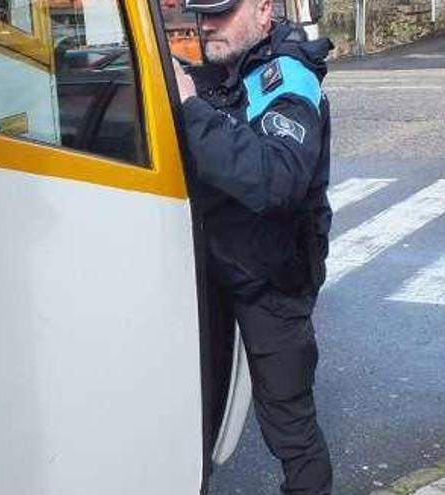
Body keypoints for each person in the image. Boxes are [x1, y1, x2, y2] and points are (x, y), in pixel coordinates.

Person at [172, 0, 334, 493]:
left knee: (289, 422)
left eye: (222, 12)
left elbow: (275, 179)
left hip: (275, 281)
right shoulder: (231, 66)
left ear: (264, 9)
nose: (207, 23)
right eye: (201, 12)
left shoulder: (286, 77)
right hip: (226, 264)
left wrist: (190, 109)